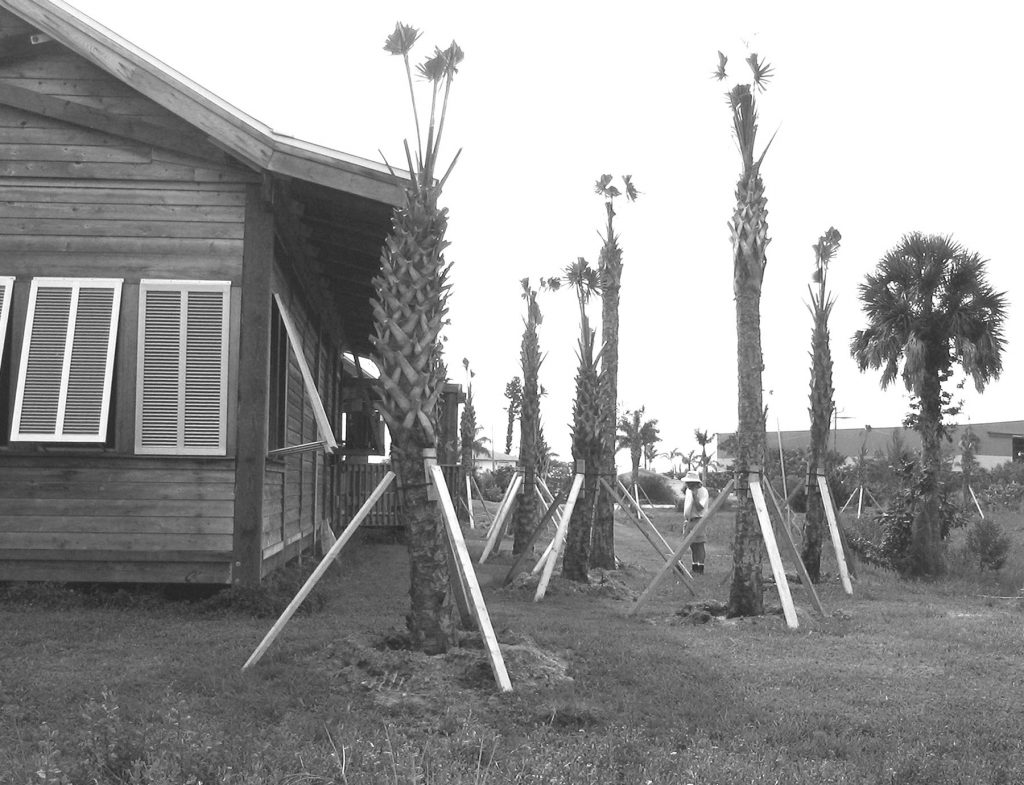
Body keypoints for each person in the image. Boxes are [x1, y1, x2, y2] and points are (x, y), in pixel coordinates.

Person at [681, 470, 710, 574]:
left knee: (699, 545)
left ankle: (700, 568)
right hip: (688, 521)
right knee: (692, 545)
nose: (687, 484)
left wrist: (695, 496)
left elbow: (699, 508)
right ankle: (694, 566)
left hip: (698, 520)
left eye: (689, 483)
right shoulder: (688, 491)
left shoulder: (703, 491)